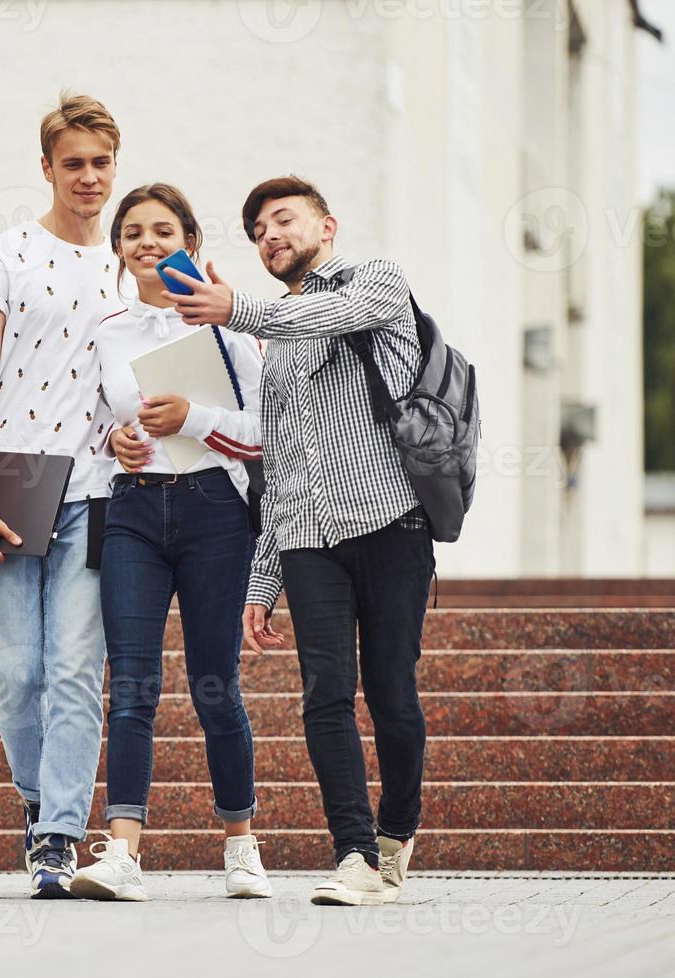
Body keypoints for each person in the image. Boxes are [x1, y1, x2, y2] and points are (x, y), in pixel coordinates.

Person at [164, 175, 434, 907]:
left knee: (391, 694)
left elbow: (332, 314)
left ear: (326, 225)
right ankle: (353, 855)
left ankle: (396, 828)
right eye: (256, 230)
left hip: (390, 522)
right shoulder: (274, 343)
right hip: (309, 539)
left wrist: (237, 310)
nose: (268, 235)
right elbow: (275, 468)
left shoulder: (376, 282)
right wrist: (262, 580)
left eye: (282, 220)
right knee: (324, 694)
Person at [68, 183, 272, 902]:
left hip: (215, 512)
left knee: (215, 684)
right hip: (132, 513)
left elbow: (262, 434)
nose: (146, 243)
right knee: (131, 684)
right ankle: (122, 853)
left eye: (161, 231)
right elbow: (91, 431)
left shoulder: (227, 328)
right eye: (132, 233)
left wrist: (189, 417)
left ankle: (241, 844)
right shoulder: (106, 328)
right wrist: (116, 442)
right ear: (118, 248)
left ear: (188, 241)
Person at [0, 92, 121, 898]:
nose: (88, 177)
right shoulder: (2, 255)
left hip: (99, 489)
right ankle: (34, 799)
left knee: (75, 669)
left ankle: (58, 832)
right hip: (13, 483)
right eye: (73, 163)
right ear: (47, 168)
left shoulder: (133, 265)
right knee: (14, 668)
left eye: (100, 163)